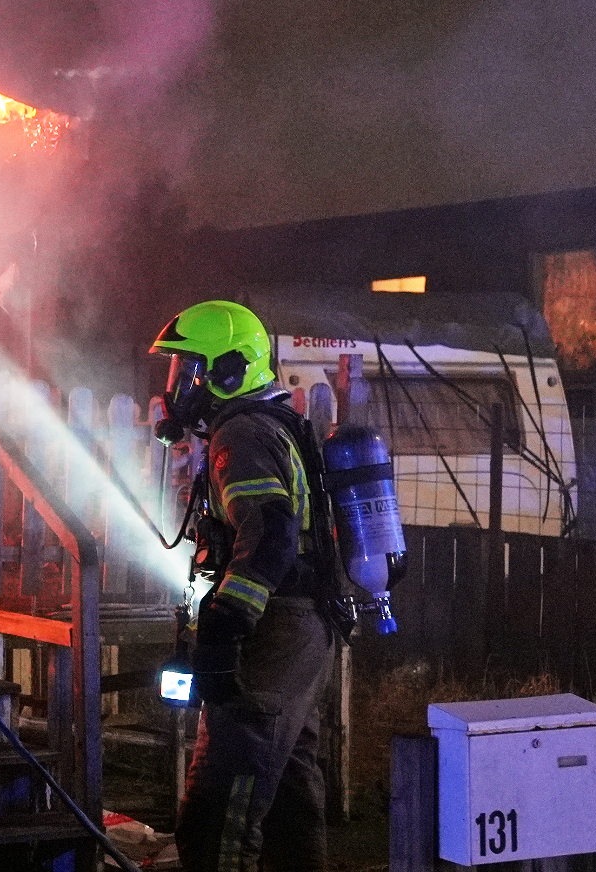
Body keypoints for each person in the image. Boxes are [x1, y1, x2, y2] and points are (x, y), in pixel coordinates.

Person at [154, 300, 339, 871]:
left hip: (274, 631)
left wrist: (226, 627)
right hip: (302, 625)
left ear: (227, 371)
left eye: (188, 369)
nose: (177, 386)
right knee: (287, 800)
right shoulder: (272, 424)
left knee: (217, 812)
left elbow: (273, 534)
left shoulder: (243, 433)